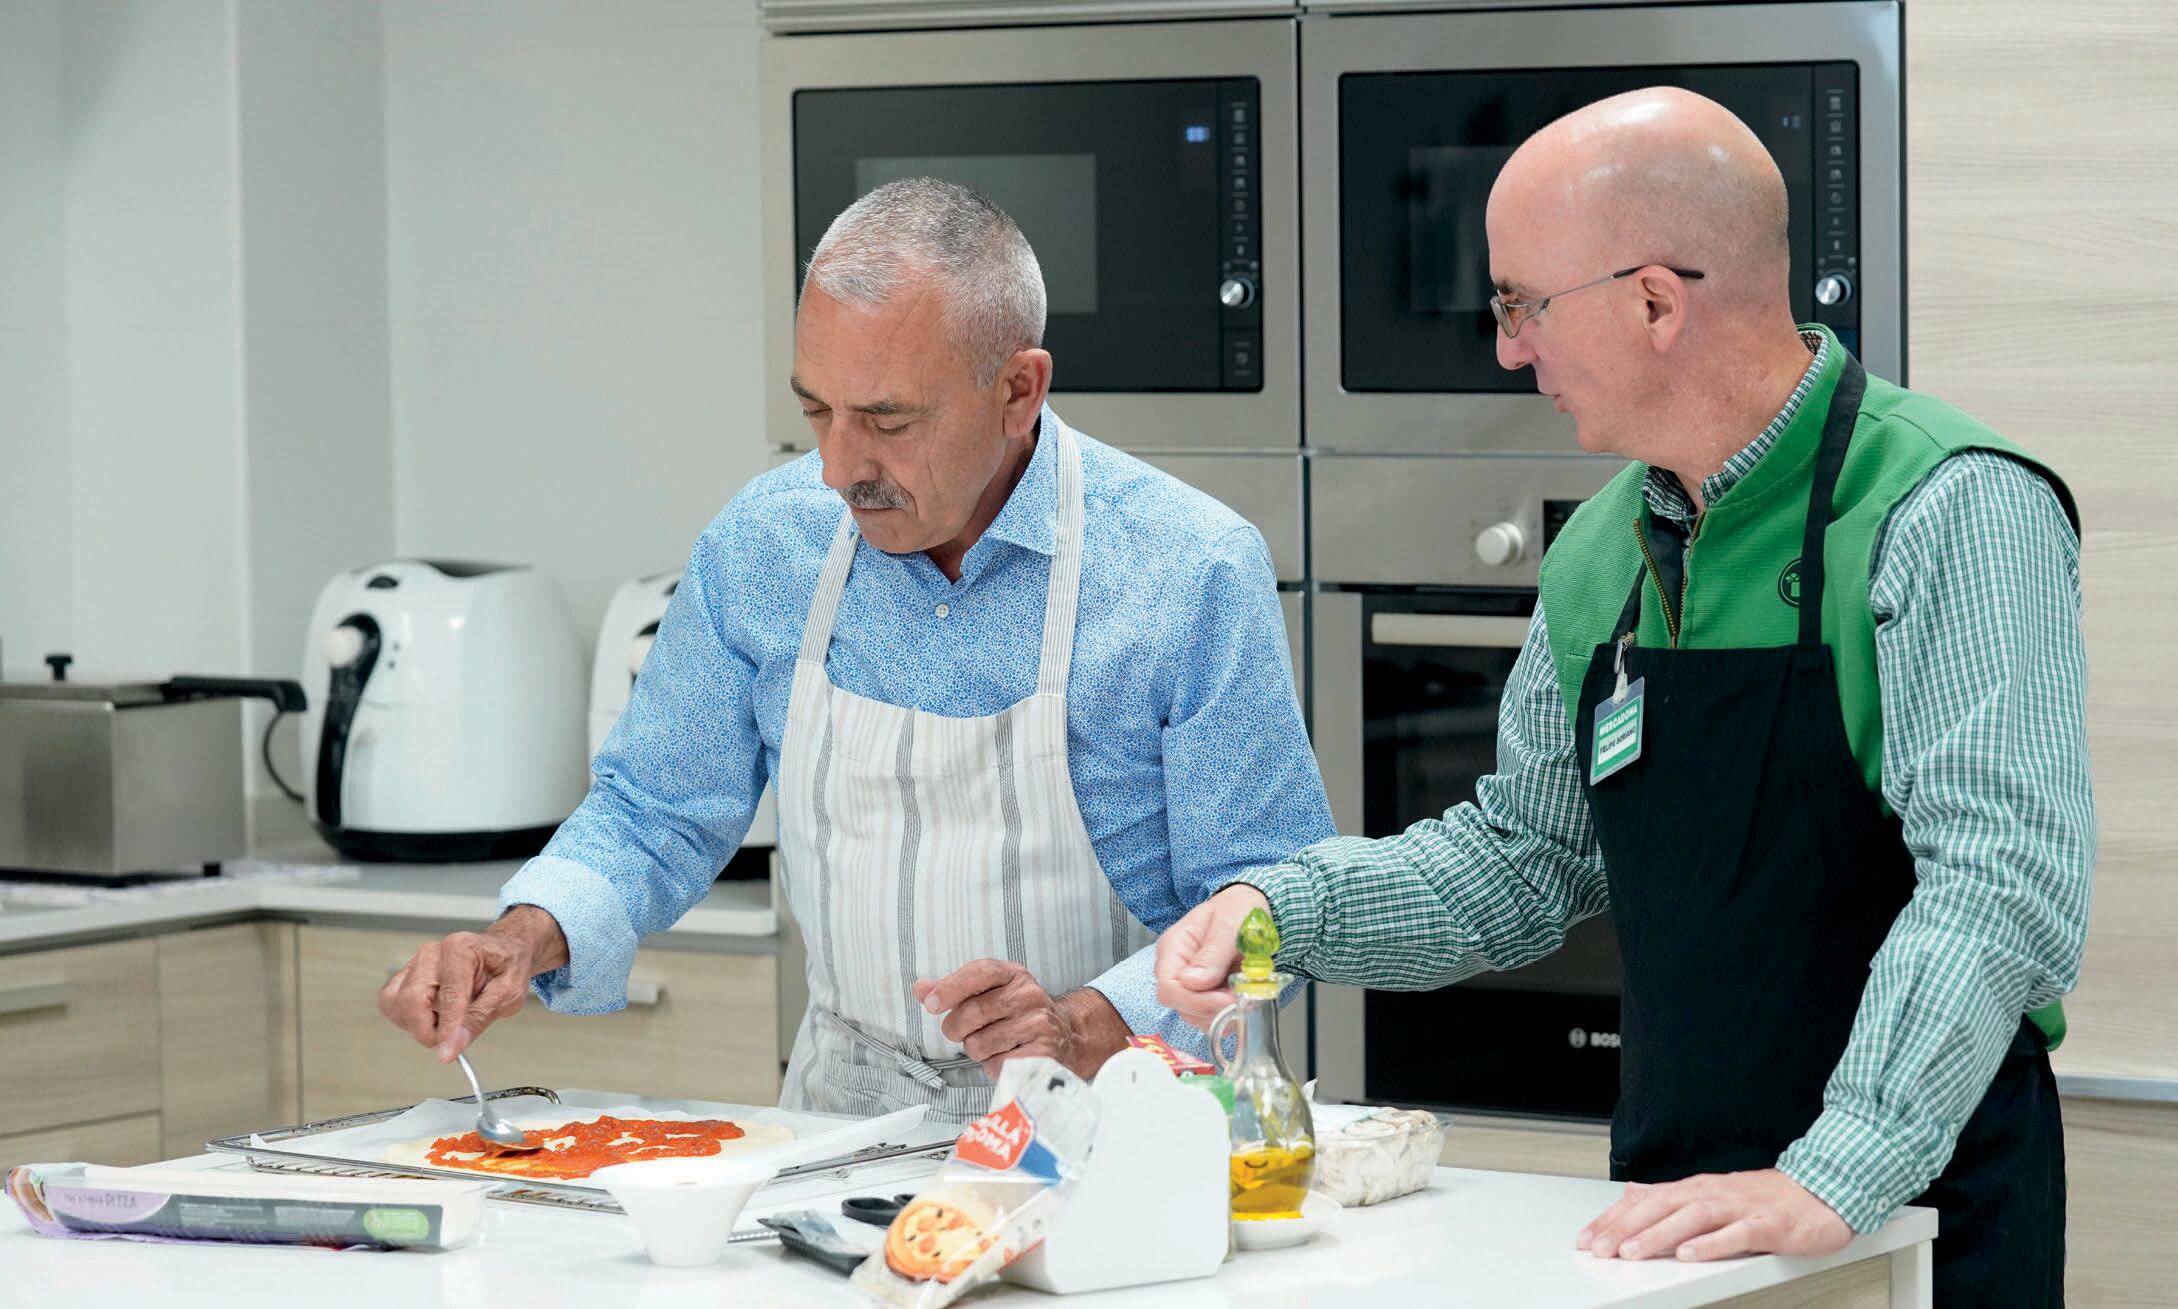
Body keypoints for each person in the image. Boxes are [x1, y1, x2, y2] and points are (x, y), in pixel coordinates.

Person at [1156, 88, 2089, 1303]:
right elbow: (1526, 859)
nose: (1506, 347)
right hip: (1669, 1219)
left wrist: (1837, 1169)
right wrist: (1278, 906)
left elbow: (2003, 878)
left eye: (1521, 304)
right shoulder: (1606, 548)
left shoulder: (1949, 508)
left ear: (1654, 300)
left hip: (1918, 1213)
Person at [381, 178, 1332, 1123]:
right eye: (817, 412)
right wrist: (522, 934)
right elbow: (654, 808)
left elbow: (1271, 908)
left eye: (887, 420)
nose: (839, 469)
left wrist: (1082, 1025)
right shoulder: (767, 543)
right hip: (839, 1123)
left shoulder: (1189, 568)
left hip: (1121, 1121)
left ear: (1018, 390)